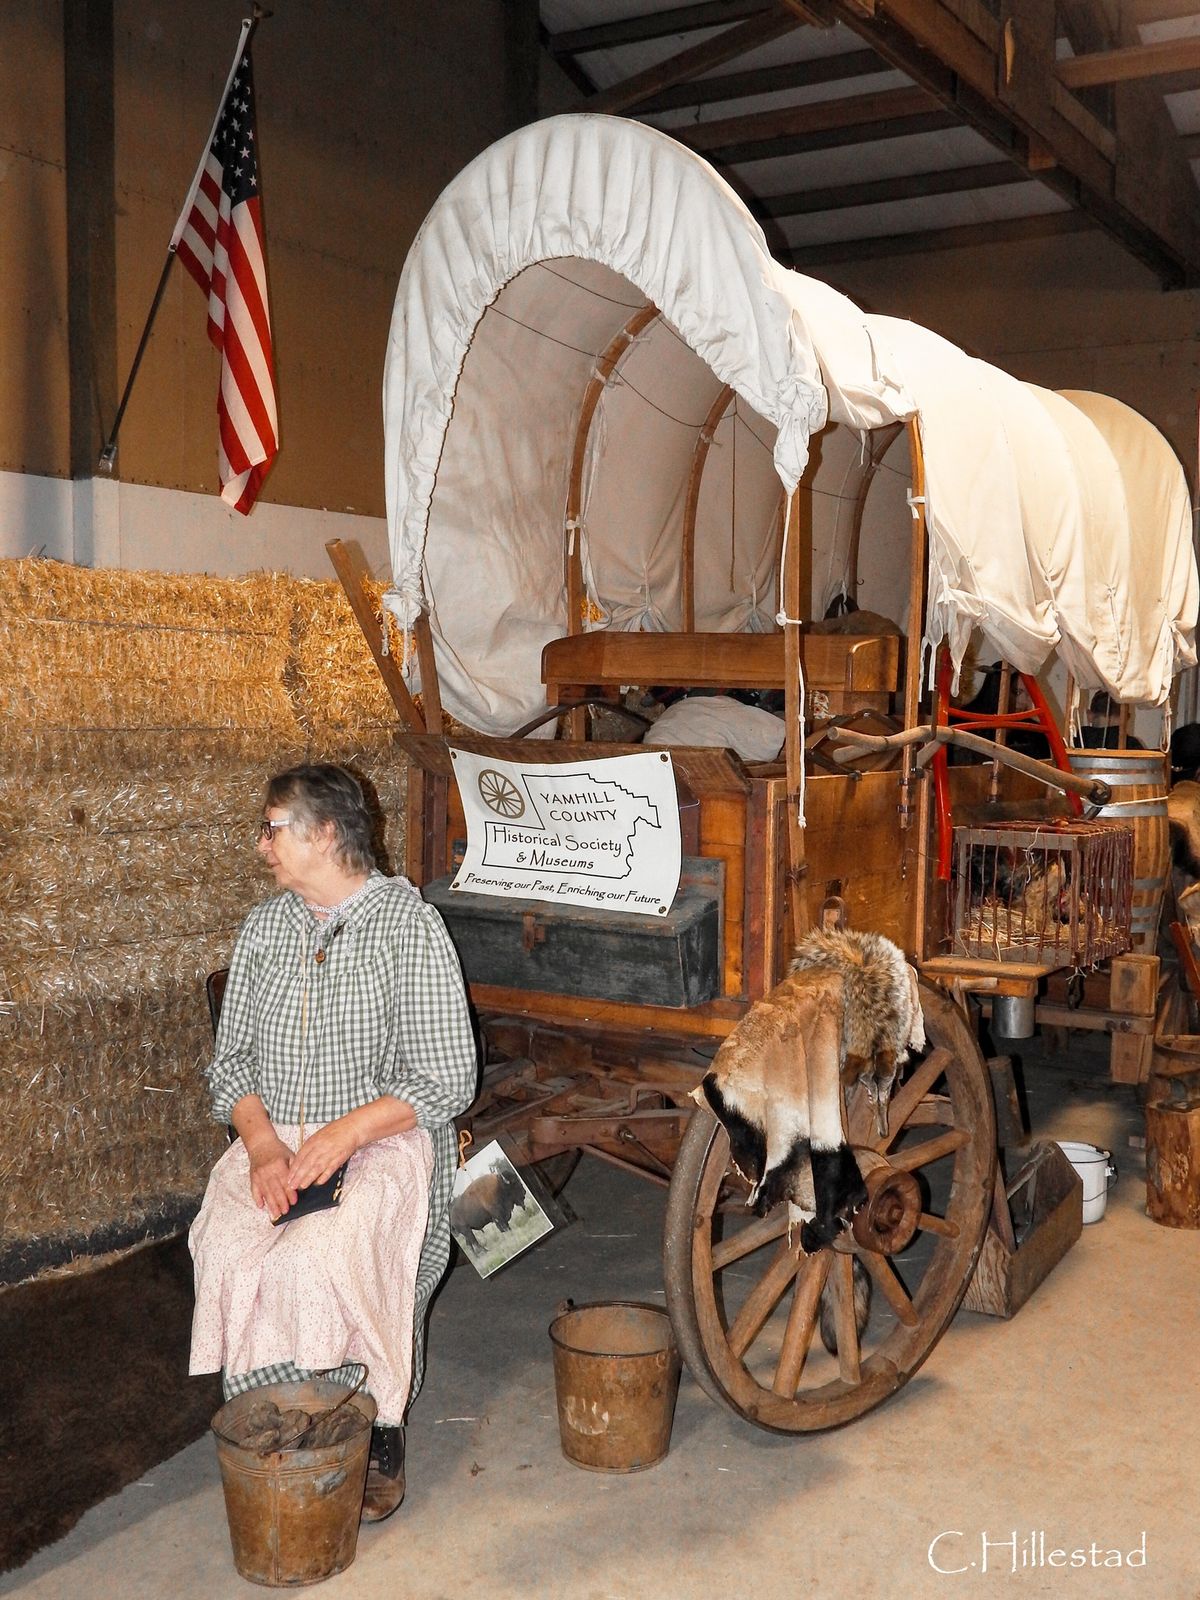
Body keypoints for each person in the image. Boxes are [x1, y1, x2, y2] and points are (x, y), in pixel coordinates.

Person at [189, 763, 477, 1521]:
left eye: (273, 827)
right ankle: (276, 1417)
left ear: (323, 833)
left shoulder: (407, 926)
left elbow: (447, 1078)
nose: (262, 845)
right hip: (276, 1136)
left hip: (382, 1134)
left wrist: (344, 1134)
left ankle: (374, 1423)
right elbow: (233, 1063)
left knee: (316, 1258)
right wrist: (260, 1149)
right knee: (226, 1244)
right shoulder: (265, 928)